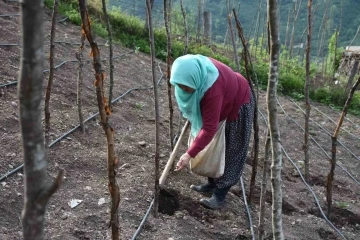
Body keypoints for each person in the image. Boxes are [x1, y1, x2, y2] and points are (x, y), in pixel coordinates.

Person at [170, 54, 254, 209]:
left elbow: (209, 128)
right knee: (212, 146)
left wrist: (189, 154)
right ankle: (211, 184)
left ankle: (220, 195)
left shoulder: (212, 90)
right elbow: (188, 103)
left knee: (231, 149)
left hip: (238, 103)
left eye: (187, 87)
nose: (184, 90)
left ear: (195, 79)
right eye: (181, 86)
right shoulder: (192, 74)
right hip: (224, 96)